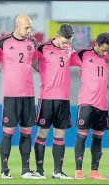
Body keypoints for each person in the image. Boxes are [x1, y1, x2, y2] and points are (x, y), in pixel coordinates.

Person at [0, 14, 40, 179]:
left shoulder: (33, 43)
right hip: (11, 95)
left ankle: (26, 170)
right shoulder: (3, 42)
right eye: (26, 27)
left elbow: (36, 65)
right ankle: (4, 170)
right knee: (8, 131)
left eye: (30, 27)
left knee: (27, 131)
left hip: (28, 94)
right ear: (17, 26)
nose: (29, 31)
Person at [70, 32, 109, 181]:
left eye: (108, 50)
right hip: (86, 102)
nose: (105, 53)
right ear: (96, 44)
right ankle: (78, 171)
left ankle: (94, 172)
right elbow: (64, 60)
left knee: (98, 138)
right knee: (82, 136)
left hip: (102, 104)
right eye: (103, 49)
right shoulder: (83, 54)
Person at [33, 24, 75, 180]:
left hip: (63, 99)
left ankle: (57, 172)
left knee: (60, 135)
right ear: (57, 36)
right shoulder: (43, 48)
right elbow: (32, 61)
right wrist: (42, 71)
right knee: (42, 133)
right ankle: (39, 171)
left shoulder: (70, 50)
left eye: (68, 42)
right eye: (64, 42)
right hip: (47, 98)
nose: (66, 45)